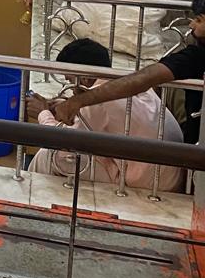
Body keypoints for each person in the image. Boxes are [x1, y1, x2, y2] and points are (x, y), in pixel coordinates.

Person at [27, 39, 184, 190]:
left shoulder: (95, 101)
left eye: (70, 81)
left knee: (49, 155)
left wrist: (43, 113)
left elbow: (62, 142)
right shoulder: (130, 84)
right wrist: (65, 105)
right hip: (172, 176)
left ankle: (30, 195)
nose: (70, 88)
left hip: (150, 184)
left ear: (85, 77)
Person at [50, 0, 205, 146]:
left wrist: (74, 103)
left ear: (84, 78)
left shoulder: (196, 57)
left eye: (198, 20)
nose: (191, 25)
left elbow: (144, 79)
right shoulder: (149, 92)